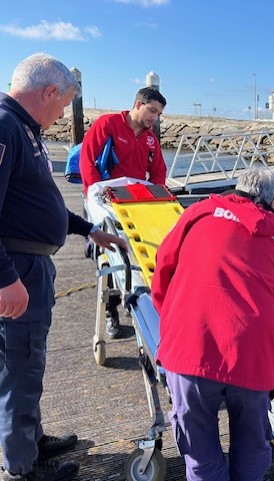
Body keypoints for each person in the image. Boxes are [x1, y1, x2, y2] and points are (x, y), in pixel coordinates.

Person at [0, 53, 128, 481]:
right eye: (61, 106)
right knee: (19, 367)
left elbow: (39, 203)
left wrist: (88, 229)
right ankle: (23, 466)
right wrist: (6, 279)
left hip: (32, 264)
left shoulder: (23, 129)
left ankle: (31, 439)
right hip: (17, 268)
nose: (59, 117)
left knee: (30, 361)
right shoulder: (4, 127)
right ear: (49, 92)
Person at [151, 167, 274, 481]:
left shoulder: (196, 215)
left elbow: (162, 268)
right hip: (253, 354)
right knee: (253, 440)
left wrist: (172, 322)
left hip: (191, 344)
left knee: (198, 443)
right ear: (271, 203)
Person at [79, 86, 167, 339]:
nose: (154, 117)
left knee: (137, 255)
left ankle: (140, 301)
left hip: (134, 204)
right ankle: (111, 311)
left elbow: (158, 172)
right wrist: (95, 198)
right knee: (108, 255)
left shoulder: (151, 139)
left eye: (158, 114)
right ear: (138, 104)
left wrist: (158, 196)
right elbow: (88, 161)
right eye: (152, 110)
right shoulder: (109, 124)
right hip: (106, 200)